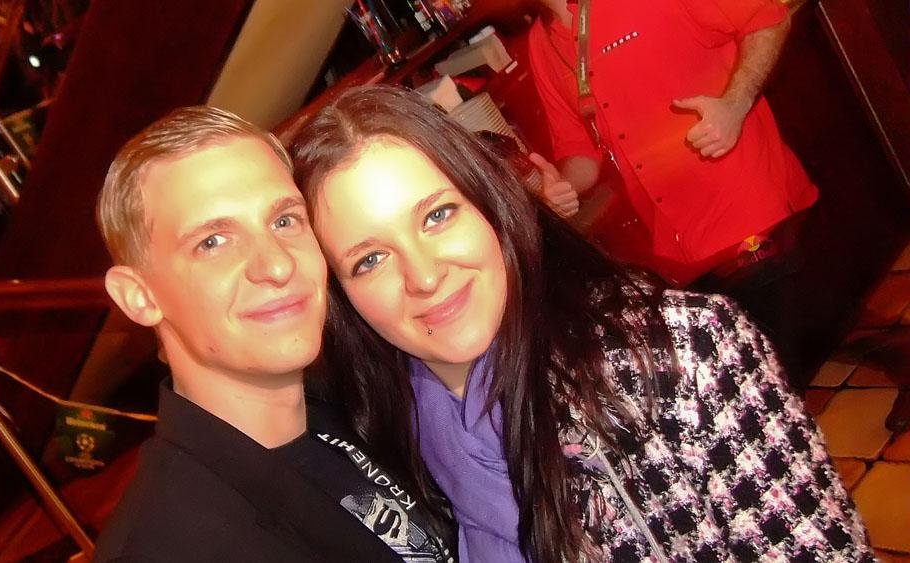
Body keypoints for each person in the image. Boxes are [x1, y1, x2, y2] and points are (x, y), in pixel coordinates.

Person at [290, 85, 872, 562]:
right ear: (342, 296)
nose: (422, 276)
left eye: (437, 215)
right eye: (370, 259)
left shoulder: (678, 356)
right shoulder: (396, 421)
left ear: (490, 204)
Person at [92, 106, 454, 562]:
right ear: (140, 296)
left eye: (284, 221)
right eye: (212, 242)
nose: (278, 265)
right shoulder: (168, 547)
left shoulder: (360, 396)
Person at [527, 0, 819, 284]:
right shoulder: (541, 43)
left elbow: (767, 18)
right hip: (681, 254)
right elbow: (580, 151)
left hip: (752, 216)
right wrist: (560, 189)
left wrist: (735, 102)